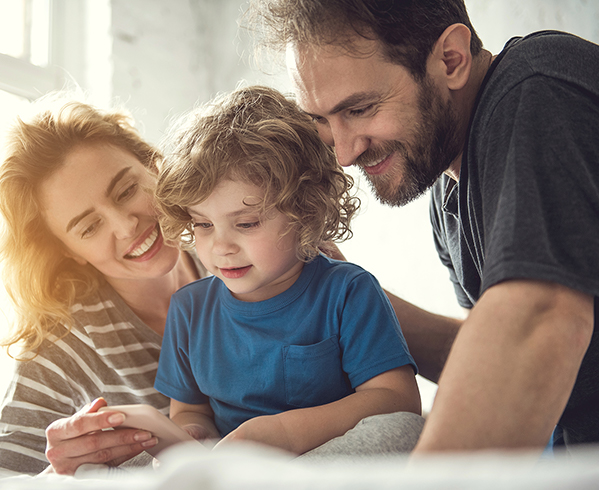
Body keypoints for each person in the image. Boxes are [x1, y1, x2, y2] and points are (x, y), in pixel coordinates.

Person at [248, 0, 599, 451]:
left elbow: (537, 323)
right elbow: (493, 368)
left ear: (451, 59)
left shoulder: (538, 90)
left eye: (359, 109)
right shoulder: (448, 187)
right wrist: (340, 295)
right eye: (322, 120)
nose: (343, 152)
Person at [153, 85, 423, 457]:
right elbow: (189, 410)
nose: (221, 246)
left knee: (405, 432)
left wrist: (287, 433)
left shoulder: (348, 291)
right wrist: (194, 433)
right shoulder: (188, 309)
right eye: (203, 225)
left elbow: (397, 400)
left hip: (324, 463)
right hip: (234, 471)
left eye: (246, 223)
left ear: (306, 212)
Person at [0, 95, 208, 476]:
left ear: (153, 166)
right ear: (70, 252)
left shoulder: (243, 248)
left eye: (126, 191)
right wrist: (59, 476)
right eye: (89, 227)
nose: (126, 226)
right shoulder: (67, 342)